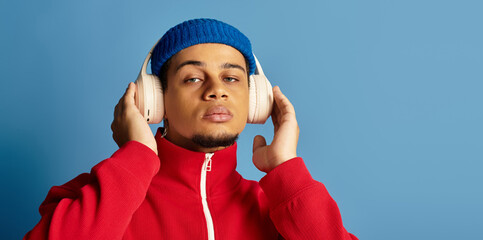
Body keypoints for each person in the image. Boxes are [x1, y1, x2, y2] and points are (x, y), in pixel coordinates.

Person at [24, 18, 358, 240]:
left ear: (255, 100)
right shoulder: (89, 200)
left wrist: (287, 171)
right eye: (193, 78)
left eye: (231, 78)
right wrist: (135, 158)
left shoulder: (281, 209)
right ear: (156, 100)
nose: (217, 90)